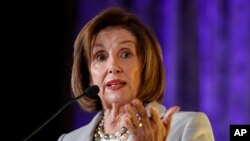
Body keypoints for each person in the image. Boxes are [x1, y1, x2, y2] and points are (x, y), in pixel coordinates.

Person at [58, 7, 214, 141]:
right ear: (88, 74)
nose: (113, 66)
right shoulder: (69, 139)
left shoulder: (187, 127)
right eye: (100, 56)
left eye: (125, 54)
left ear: (145, 66)